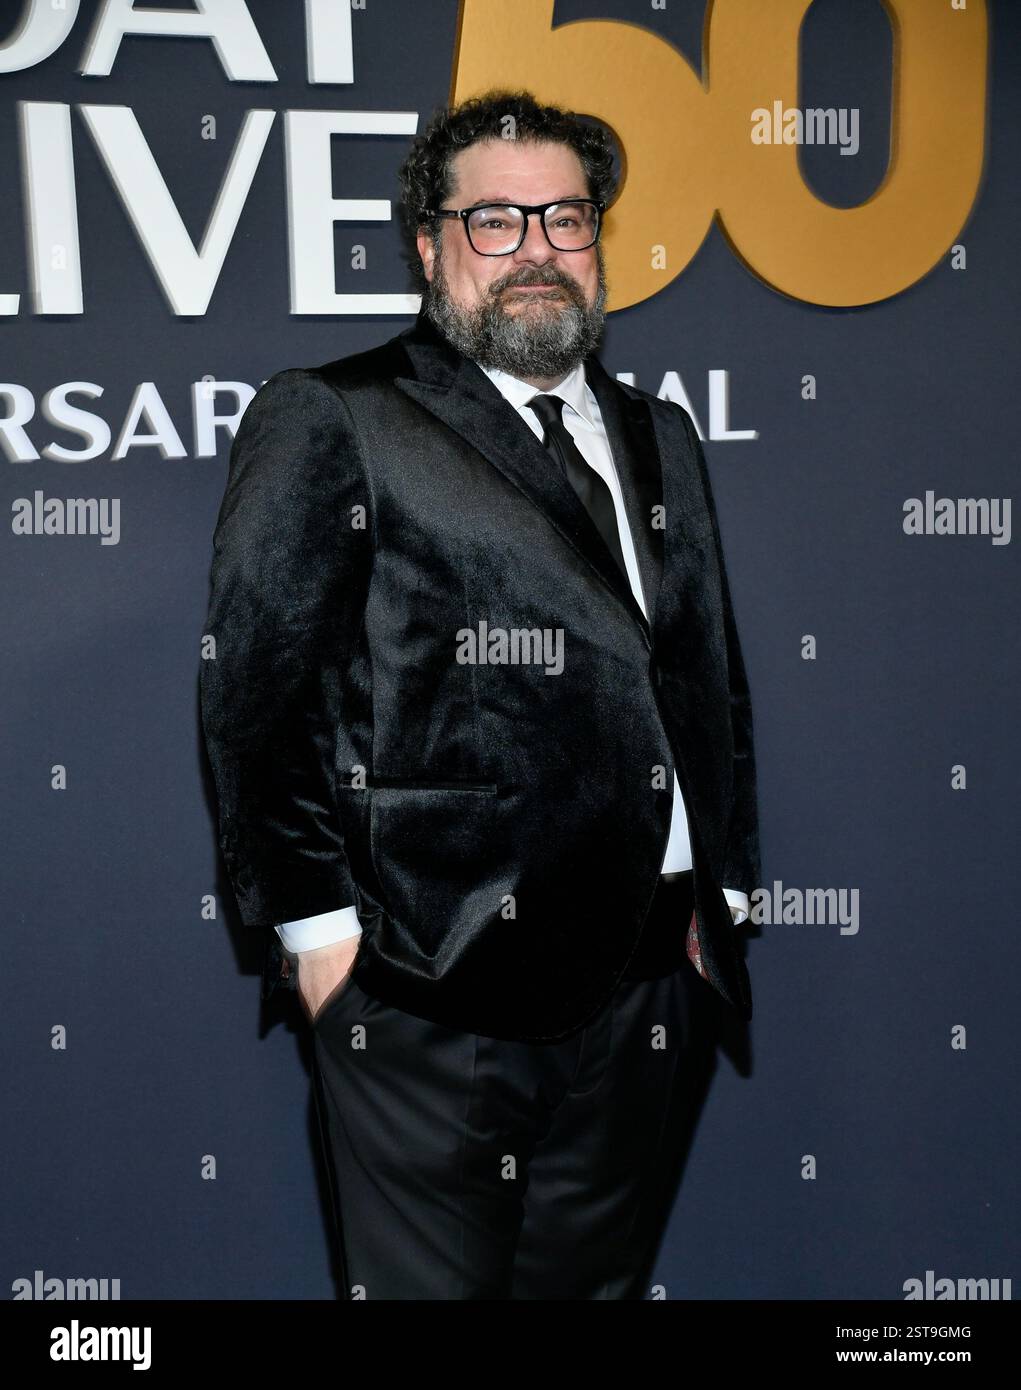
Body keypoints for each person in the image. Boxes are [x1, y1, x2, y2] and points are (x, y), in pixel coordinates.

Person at [199, 88, 760, 1300]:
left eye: (564, 217)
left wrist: (721, 897)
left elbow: (704, 676)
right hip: (431, 981)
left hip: (652, 973)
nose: (536, 251)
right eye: (493, 222)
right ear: (428, 244)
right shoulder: (338, 414)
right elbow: (256, 694)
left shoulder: (659, 434)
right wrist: (318, 940)